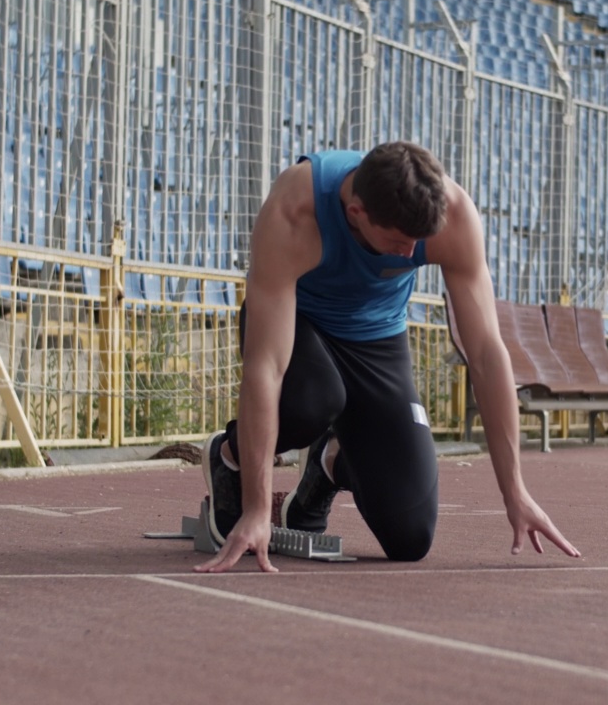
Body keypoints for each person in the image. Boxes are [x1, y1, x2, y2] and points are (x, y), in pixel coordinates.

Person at [194, 141, 581, 573]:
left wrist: (516, 492)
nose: (410, 251)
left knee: (410, 535)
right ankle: (229, 456)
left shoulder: (452, 215)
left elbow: (487, 354)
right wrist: (255, 509)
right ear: (357, 212)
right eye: (399, 242)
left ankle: (331, 461)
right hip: (300, 324)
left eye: (419, 242)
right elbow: (265, 368)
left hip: (376, 337)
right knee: (314, 399)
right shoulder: (295, 210)